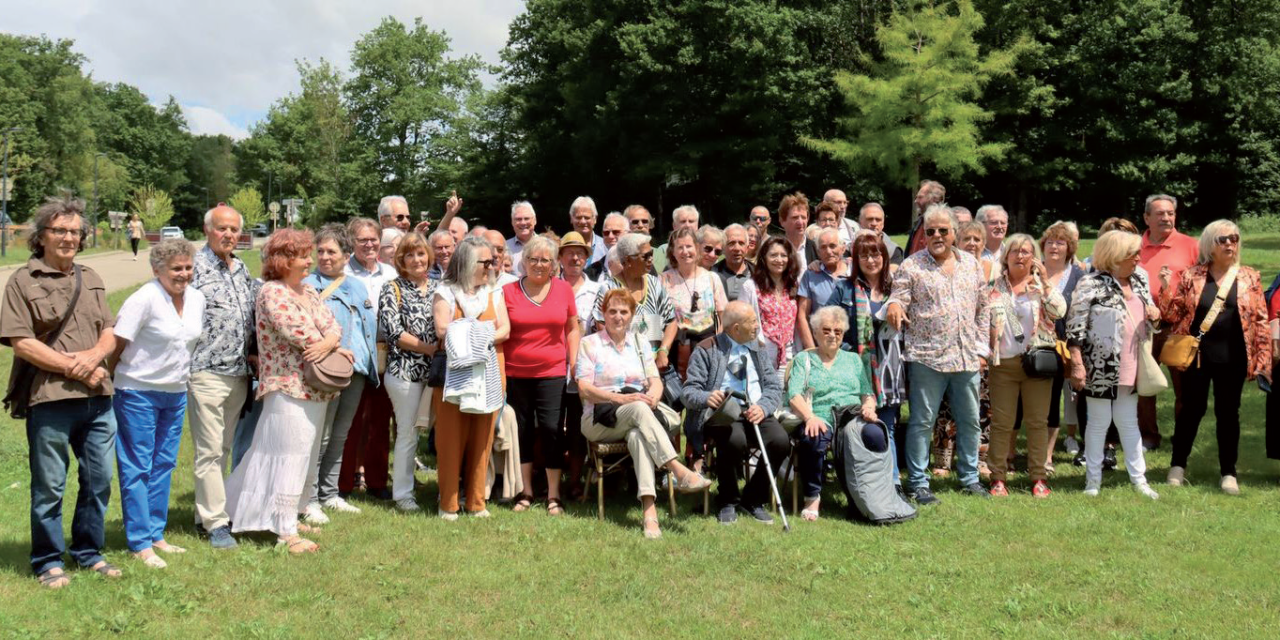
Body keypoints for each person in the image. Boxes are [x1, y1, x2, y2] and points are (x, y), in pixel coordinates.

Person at [2, 197, 120, 587]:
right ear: (42, 236)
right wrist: (76, 366)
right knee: (49, 486)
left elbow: (108, 329)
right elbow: (22, 342)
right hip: (50, 399)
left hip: (98, 399)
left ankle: (88, 552)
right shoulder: (23, 280)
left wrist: (97, 356)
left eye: (75, 231)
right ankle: (47, 559)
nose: (69, 238)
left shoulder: (92, 276)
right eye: (60, 230)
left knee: (99, 480)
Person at [226, 228, 349, 554]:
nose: (310, 260)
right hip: (287, 387)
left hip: (315, 386)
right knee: (286, 456)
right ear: (283, 259)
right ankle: (285, 532)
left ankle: (285, 513)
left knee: (303, 455)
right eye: (303, 255)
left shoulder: (308, 292)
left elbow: (332, 326)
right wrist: (327, 342)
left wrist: (329, 341)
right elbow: (300, 333)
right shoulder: (272, 293)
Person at [577, 289, 712, 538]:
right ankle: (677, 469)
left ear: (632, 315)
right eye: (612, 311)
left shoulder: (639, 342)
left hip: (637, 415)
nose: (618, 317)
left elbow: (655, 380)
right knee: (638, 408)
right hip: (599, 417)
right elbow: (584, 389)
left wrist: (655, 395)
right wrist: (621, 398)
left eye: (624, 312)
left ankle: (650, 515)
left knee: (639, 436)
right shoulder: (589, 344)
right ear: (603, 314)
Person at [885, 204, 991, 505]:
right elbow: (899, 297)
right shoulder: (912, 266)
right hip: (926, 357)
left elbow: (984, 310)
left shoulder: (971, 264)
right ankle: (919, 483)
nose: (937, 236)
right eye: (930, 231)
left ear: (954, 233)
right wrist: (894, 307)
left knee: (970, 421)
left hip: (966, 356)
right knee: (922, 422)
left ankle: (969, 478)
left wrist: (983, 349)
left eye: (943, 230)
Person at [109, 238, 204, 569]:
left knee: (164, 464)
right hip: (137, 391)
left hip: (176, 391)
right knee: (138, 465)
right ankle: (139, 542)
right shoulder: (144, 298)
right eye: (176, 268)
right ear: (157, 270)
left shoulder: (196, 299)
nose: (183, 274)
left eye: (188, 267)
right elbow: (117, 342)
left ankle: (156, 533)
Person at [1159, 220, 1271, 494]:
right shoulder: (1192, 276)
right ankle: (1177, 465)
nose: (1231, 243)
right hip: (1197, 356)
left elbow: (1260, 320)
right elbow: (1172, 316)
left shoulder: (1249, 277)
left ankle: (1228, 472)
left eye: (1234, 238)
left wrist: (1263, 359)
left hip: (1233, 357)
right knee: (1191, 411)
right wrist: (1165, 288)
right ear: (1210, 244)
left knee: (1229, 414)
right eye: (1224, 239)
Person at [1066, 230, 1161, 499]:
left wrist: (1155, 316)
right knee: (1098, 422)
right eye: (1134, 254)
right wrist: (1077, 363)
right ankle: (1092, 481)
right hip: (1099, 365)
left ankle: (1139, 480)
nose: (1139, 258)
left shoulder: (1140, 278)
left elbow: (1151, 316)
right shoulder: (1090, 283)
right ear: (1116, 256)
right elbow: (1075, 329)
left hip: (1132, 363)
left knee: (1129, 422)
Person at [682, 301, 791, 525]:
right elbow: (689, 391)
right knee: (735, 440)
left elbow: (772, 386)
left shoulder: (758, 347)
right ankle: (727, 500)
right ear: (735, 329)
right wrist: (707, 397)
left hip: (755, 409)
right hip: (723, 412)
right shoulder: (706, 348)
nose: (757, 327)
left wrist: (763, 407)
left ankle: (753, 499)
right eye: (752, 322)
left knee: (780, 441)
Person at [188, 203, 256, 549]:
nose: (229, 235)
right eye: (221, 228)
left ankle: (206, 512)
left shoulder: (242, 269)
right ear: (207, 231)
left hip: (239, 373)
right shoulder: (193, 268)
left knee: (224, 447)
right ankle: (216, 523)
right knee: (209, 450)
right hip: (205, 370)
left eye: (234, 229)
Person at [300, 224, 379, 522]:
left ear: (347, 256)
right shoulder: (309, 285)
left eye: (331, 251)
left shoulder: (357, 286)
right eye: (320, 251)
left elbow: (366, 328)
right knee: (320, 435)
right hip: (326, 370)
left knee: (340, 434)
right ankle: (309, 499)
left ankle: (329, 494)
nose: (324, 257)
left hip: (355, 370)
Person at [502, 235, 581, 515]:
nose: (538, 264)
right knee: (521, 430)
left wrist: (574, 360)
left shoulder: (563, 290)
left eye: (545, 260)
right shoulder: (508, 291)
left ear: (554, 264)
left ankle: (554, 495)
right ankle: (526, 491)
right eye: (533, 259)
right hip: (516, 373)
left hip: (552, 372)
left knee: (550, 429)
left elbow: (573, 327)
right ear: (523, 262)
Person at [432, 236, 509, 518]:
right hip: (455, 376)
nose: (490, 267)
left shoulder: (494, 292)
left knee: (482, 440)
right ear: (466, 262)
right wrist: (484, 332)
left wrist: (469, 332)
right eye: (484, 262)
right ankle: (448, 504)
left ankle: (477, 502)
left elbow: (506, 330)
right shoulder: (446, 292)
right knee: (451, 440)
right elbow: (442, 329)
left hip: (489, 374)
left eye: (492, 261)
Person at [986, 234, 1066, 497]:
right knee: (1002, 423)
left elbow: (1060, 311)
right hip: (1003, 364)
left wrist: (1044, 284)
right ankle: (997, 477)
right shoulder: (993, 287)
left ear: (1034, 257)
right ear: (1006, 256)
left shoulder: (1040, 286)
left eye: (1026, 252)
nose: (1020, 256)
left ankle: (1038, 477)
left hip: (1037, 364)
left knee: (1037, 422)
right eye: (1015, 251)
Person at [830, 231, 907, 491]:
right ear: (856, 259)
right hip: (856, 367)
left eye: (875, 253)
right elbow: (831, 324)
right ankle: (861, 482)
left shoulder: (896, 288)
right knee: (856, 426)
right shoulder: (844, 288)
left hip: (890, 369)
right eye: (864, 255)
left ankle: (892, 481)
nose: (871, 260)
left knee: (887, 427)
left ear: (884, 256)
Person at [788, 306, 877, 521]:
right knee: (814, 437)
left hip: (852, 418)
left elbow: (868, 393)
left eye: (838, 331)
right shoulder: (804, 359)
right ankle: (812, 497)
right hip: (819, 417)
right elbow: (794, 396)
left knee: (875, 435)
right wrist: (809, 416)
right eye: (826, 330)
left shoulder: (854, 360)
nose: (832, 335)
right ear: (816, 331)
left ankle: (868, 497)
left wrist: (869, 408)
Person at [339, 217, 399, 503]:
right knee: (348, 421)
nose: (369, 244)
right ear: (352, 242)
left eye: (373, 239)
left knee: (380, 420)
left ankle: (377, 481)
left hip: (384, 355)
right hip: (352, 355)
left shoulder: (390, 273)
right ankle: (343, 481)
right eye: (362, 240)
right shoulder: (342, 273)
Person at [378, 232, 439, 512]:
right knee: (408, 433)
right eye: (410, 255)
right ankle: (402, 494)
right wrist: (430, 349)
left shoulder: (440, 286)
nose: (416, 260)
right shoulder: (393, 288)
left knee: (442, 433)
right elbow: (394, 332)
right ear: (401, 260)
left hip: (438, 375)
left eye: (421, 253)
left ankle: (446, 489)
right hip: (405, 373)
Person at [930, 219, 994, 476]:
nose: (972, 244)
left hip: (979, 350)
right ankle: (943, 460)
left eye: (977, 239)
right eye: (967, 239)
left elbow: (986, 312)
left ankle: (979, 459)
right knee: (946, 406)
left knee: (980, 407)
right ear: (957, 240)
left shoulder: (991, 269)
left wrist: (983, 350)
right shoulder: (952, 267)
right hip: (946, 351)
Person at [661, 227, 728, 469]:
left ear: (698, 249)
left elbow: (721, 316)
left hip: (706, 346)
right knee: (673, 403)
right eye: (680, 247)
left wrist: (718, 348)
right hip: (676, 346)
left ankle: (696, 456)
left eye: (690, 246)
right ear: (673, 252)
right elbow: (662, 318)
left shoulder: (712, 278)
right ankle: (668, 462)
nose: (686, 251)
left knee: (699, 401)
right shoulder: (664, 279)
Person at [1138, 194, 1198, 451]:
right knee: (1144, 384)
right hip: (1142, 325)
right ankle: (1148, 436)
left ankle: (1182, 437)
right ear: (1146, 218)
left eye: (1171, 213)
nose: (1166, 217)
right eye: (1160, 213)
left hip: (1179, 326)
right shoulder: (1134, 246)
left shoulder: (1190, 245)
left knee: (1184, 388)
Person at [557, 232, 603, 498]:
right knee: (549, 425)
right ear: (560, 258)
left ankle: (575, 481)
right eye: (569, 253)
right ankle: (546, 477)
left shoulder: (597, 289)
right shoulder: (550, 285)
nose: (575, 258)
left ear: (587, 258)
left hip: (582, 369)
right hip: (551, 365)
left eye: (581, 253)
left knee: (576, 427)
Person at [593, 233, 677, 370]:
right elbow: (601, 326)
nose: (651, 259)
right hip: (621, 366)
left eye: (651, 254)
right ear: (627, 261)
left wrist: (663, 351)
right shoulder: (609, 289)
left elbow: (672, 321)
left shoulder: (654, 284)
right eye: (645, 256)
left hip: (654, 366)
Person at [1040, 221, 1086, 461]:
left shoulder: (1080, 276)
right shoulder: (1033, 270)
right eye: (1050, 242)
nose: (1054, 247)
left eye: (1061, 242)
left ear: (1070, 248)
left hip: (1067, 347)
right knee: (1032, 401)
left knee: (1057, 400)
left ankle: (1047, 456)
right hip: (1034, 346)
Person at [740, 236, 801, 384]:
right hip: (761, 355)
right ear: (764, 258)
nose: (779, 260)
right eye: (773, 255)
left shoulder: (793, 286)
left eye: (783, 255)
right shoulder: (750, 286)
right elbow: (742, 324)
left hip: (789, 355)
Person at [797, 228, 847, 349]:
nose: (828, 251)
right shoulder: (811, 275)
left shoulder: (854, 272)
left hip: (852, 347)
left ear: (843, 248)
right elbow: (802, 315)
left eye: (833, 246)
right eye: (823, 247)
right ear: (818, 252)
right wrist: (811, 350)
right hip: (821, 346)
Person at [653, 205, 700, 273]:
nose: (687, 225)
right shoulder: (663, 250)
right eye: (683, 221)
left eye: (691, 221)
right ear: (674, 226)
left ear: (697, 225)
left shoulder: (707, 250)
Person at [905, 179, 947, 256]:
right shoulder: (919, 223)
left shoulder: (946, 224)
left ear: (934, 199)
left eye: (920, 197)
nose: (916, 201)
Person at [713, 224, 753, 301]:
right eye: (731, 243)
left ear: (747, 248)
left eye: (741, 243)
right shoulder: (712, 274)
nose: (737, 248)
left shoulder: (758, 274)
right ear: (723, 248)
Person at [587, 212, 629, 279]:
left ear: (627, 234)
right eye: (606, 233)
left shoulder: (640, 265)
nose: (610, 236)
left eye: (616, 232)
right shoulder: (591, 271)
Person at [569, 196, 608, 264]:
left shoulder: (605, 247)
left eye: (587, 218)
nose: (583, 221)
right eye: (578, 217)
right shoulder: (562, 246)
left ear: (595, 219)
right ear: (571, 219)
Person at [778, 192, 811, 271]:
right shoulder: (775, 248)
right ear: (782, 221)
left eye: (803, 217)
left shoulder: (816, 249)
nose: (800, 222)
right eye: (795, 217)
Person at [507, 200, 537, 275]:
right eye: (518, 219)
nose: (523, 223)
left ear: (535, 220)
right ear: (512, 222)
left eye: (527, 218)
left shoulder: (546, 245)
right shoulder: (504, 247)